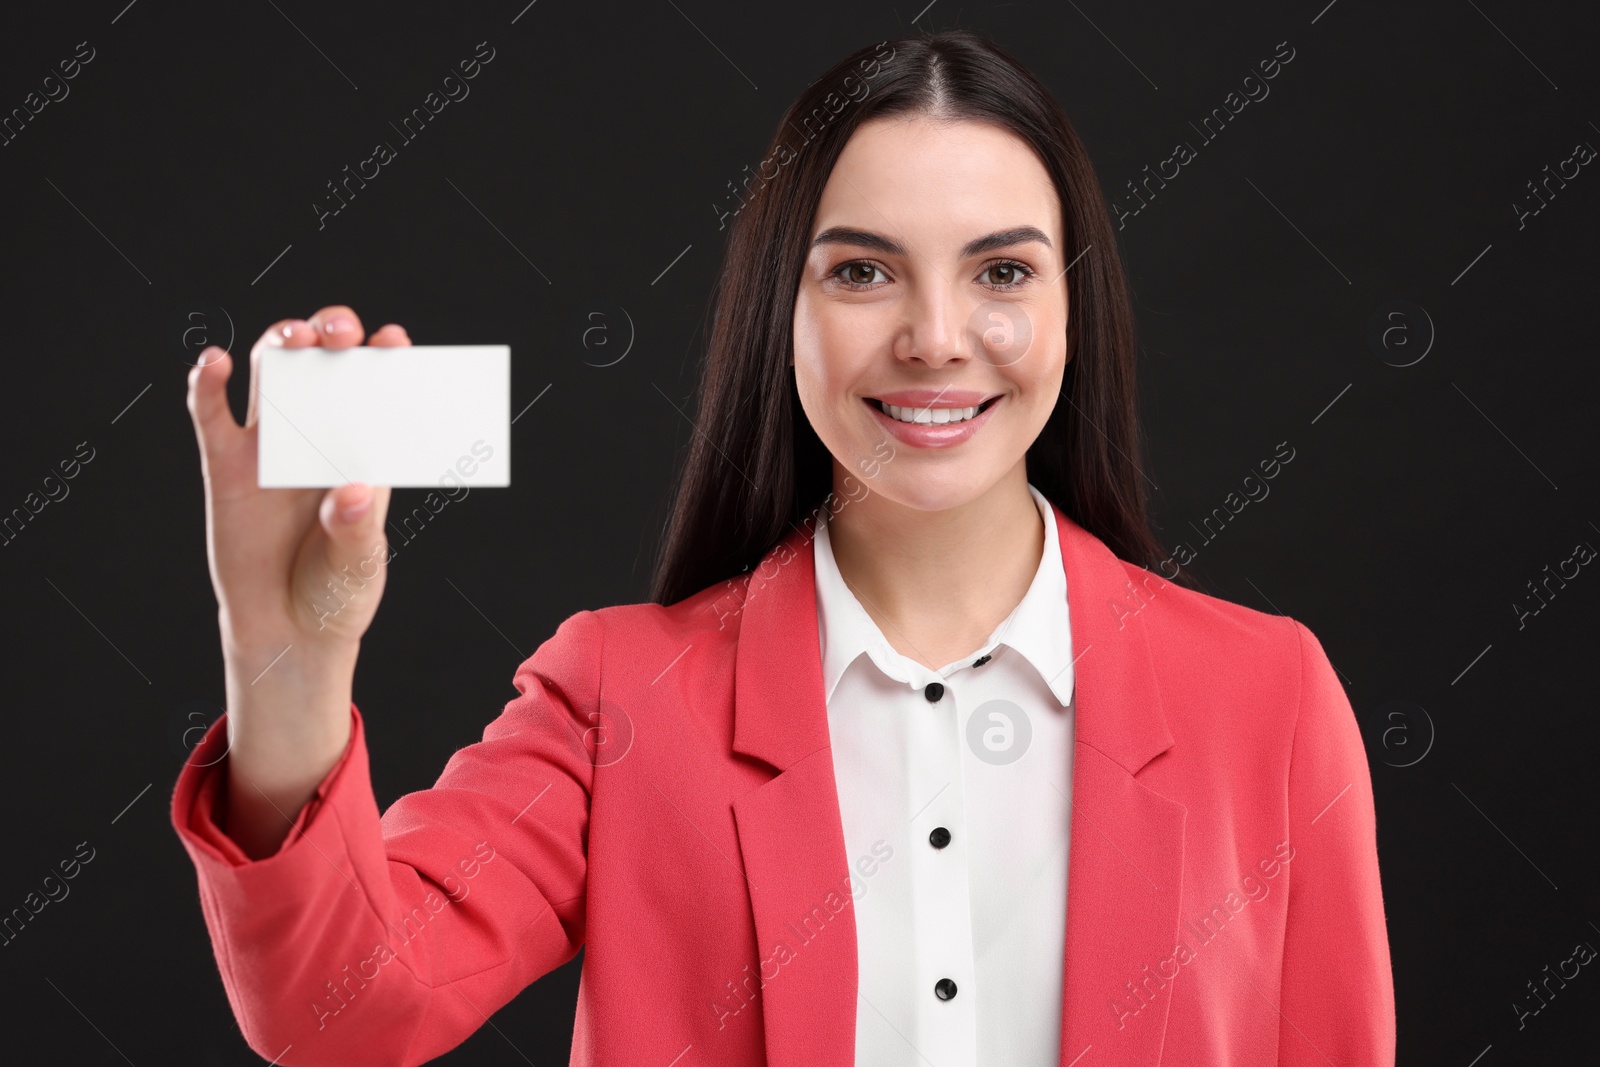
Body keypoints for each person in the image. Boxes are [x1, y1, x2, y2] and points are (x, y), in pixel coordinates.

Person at [175, 28, 1395, 1067]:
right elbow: (340, 1011)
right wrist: (289, 661)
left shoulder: (1268, 701)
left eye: (1001, 271)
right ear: (782, 311)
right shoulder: (620, 696)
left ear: (1072, 308)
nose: (934, 338)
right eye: (861, 271)